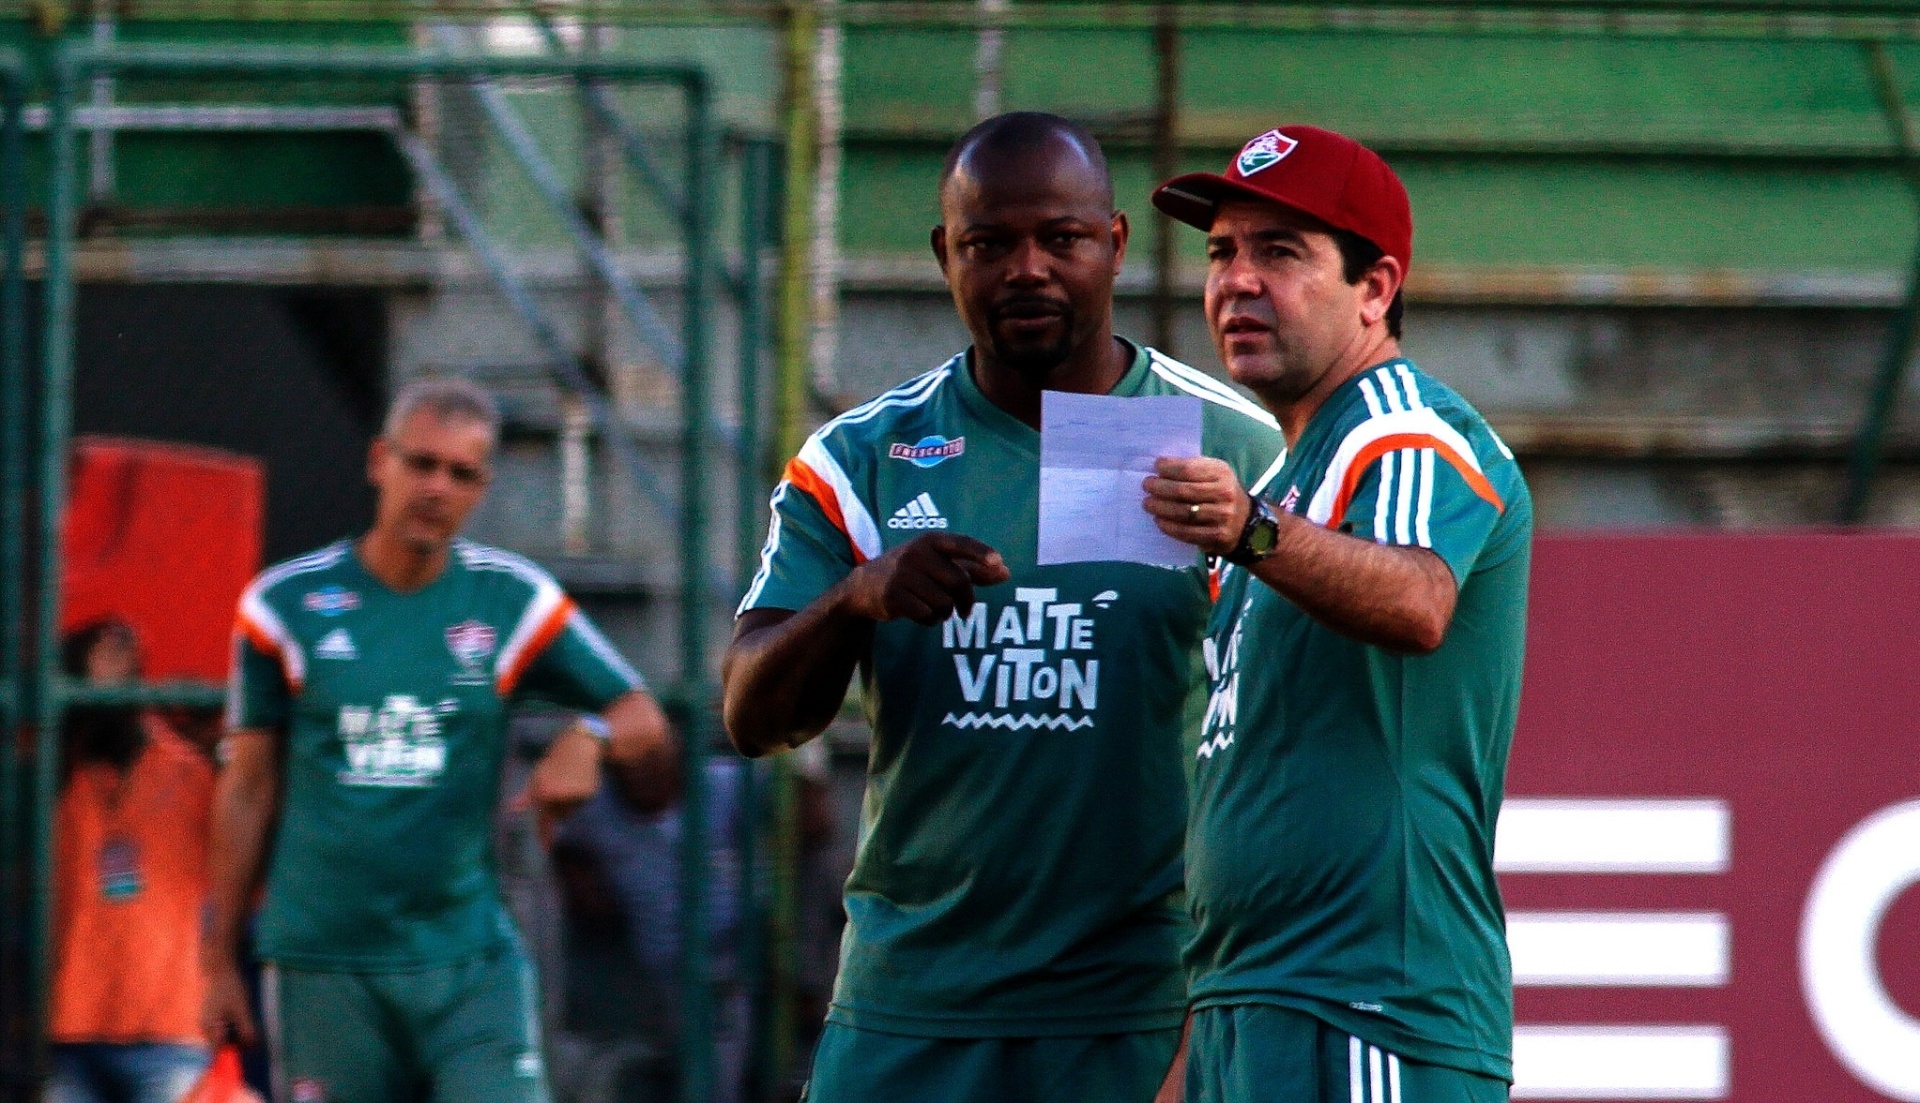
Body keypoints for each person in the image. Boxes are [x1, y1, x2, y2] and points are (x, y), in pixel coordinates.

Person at [722, 112, 1285, 1103]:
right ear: (946, 253)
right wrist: (855, 601)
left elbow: (1291, 743)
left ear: (1111, 243)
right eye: (990, 243)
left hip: (1134, 1009)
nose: (1028, 268)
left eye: (1060, 239)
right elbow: (752, 714)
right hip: (912, 1003)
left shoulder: (1231, 450)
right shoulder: (862, 459)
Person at [1141, 126, 1532, 1102]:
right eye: (1222, 251)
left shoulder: (1399, 424)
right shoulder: (1282, 474)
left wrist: (1252, 531)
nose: (1237, 280)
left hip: (1365, 1002)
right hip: (1253, 1000)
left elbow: (1417, 596)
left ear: (1376, 286)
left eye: (1281, 252)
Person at [202, 377, 676, 1103]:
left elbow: (643, 717)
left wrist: (591, 734)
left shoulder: (511, 600)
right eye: (420, 463)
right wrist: (216, 960)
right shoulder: (282, 606)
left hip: (467, 959)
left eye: (461, 473)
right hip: (325, 961)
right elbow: (248, 787)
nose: (436, 487)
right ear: (377, 461)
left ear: (483, 486)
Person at [47, 619, 216, 1103]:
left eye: (125, 661)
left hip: (169, 1027)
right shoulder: (55, 773)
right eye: (96, 662)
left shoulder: (189, 771)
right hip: (68, 1028)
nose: (112, 674)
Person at [553, 752, 753, 1103]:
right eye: (628, 765)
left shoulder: (722, 784)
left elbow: (804, 806)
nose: (641, 775)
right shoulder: (597, 809)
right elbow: (558, 835)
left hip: (734, 956)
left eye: (650, 760)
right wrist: (582, 882)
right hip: (661, 975)